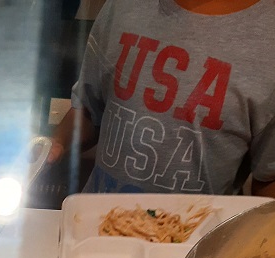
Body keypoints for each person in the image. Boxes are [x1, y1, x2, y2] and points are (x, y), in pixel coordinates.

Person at [48, 0, 275, 197]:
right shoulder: (121, 7)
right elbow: (88, 110)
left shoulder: (267, 39)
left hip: (191, 239)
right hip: (95, 227)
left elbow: (268, 177)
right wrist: (53, 146)